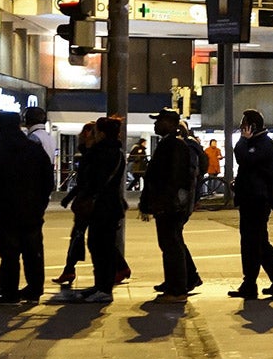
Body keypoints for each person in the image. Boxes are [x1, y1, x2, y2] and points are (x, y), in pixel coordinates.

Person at [0, 111, 51, 304]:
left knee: (9, 253)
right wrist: (40, 204)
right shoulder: (34, 149)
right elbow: (47, 180)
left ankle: (9, 291)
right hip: (31, 210)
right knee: (33, 251)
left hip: (4, 211)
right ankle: (34, 290)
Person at [141, 109, 202, 297]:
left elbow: (173, 177)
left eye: (159, 120)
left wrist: (164, 201)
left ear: (170, 123)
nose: (155, 124)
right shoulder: (169, 143)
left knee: (171, 244)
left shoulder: (174, 145)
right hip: (169, 202)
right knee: (172, 242)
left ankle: (178, 286)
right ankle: (184, 279)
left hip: (171, 204)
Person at [231, 110, 273, 299]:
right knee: (259, 243)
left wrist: (242, 140)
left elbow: (244, 159)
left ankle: (250, 283)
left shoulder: (262, 144)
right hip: (252, 199)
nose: (241, 128)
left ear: (252, 126)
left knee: (251, 243)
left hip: (257, 201)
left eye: (244, 124)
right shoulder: (257, 143)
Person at [79, 116, 130, 302]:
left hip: (102, 205)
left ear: (100, 133)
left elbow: (91, 178)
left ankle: (104, 288)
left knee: (100, 246)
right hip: (111, 205)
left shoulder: (100, 152)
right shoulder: (116, 151)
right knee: (102, 245)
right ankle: (101, 285)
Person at [55, 122, 98, 287]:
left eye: (84, 133)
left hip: (89, 203)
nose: (81, 135)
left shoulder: (92, 155)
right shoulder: (89, 153)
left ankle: (69, 269)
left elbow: (85, 182)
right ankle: (69, 269)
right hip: (87, 201)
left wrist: (70, 197)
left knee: (81, 236)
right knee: (86, 237)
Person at [203, 133, 223, 201]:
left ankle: (213, 191)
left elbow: (220, 156)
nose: (214, 144)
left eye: (215, 143)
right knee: (210, 180)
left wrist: (220, 157)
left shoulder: (218, 150)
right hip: (210, 167)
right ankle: (209, 192)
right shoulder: (207, 150)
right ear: (210, 143)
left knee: (215, 180)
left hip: (216, 167)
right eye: (213, 143)